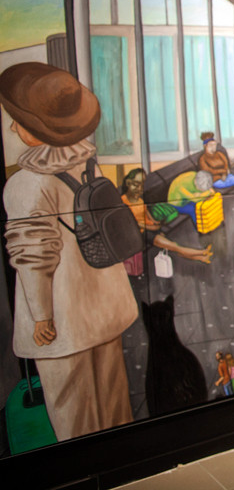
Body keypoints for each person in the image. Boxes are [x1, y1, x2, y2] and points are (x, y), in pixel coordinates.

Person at [0, 62, 139, 440]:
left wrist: (42, 316)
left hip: (63, 323)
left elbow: (34, 256)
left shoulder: (26, 185)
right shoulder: (88, 163)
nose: (13, 127)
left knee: (75, 421)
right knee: (114, 410)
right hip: (105, 310)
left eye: (19, 121)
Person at [120, 168, 213, 274]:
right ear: (128, 183)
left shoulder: (140, 200)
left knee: (173, 247)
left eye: (141, 185)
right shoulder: (123, 202)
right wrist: (152, 226)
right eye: (136, 185)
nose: (139, 189)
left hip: (149, 228)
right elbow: (134, 225)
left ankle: (201, 258)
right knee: (175, 247)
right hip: (143, 233)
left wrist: (154, 223)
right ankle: (201, 253)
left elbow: (147, 215)